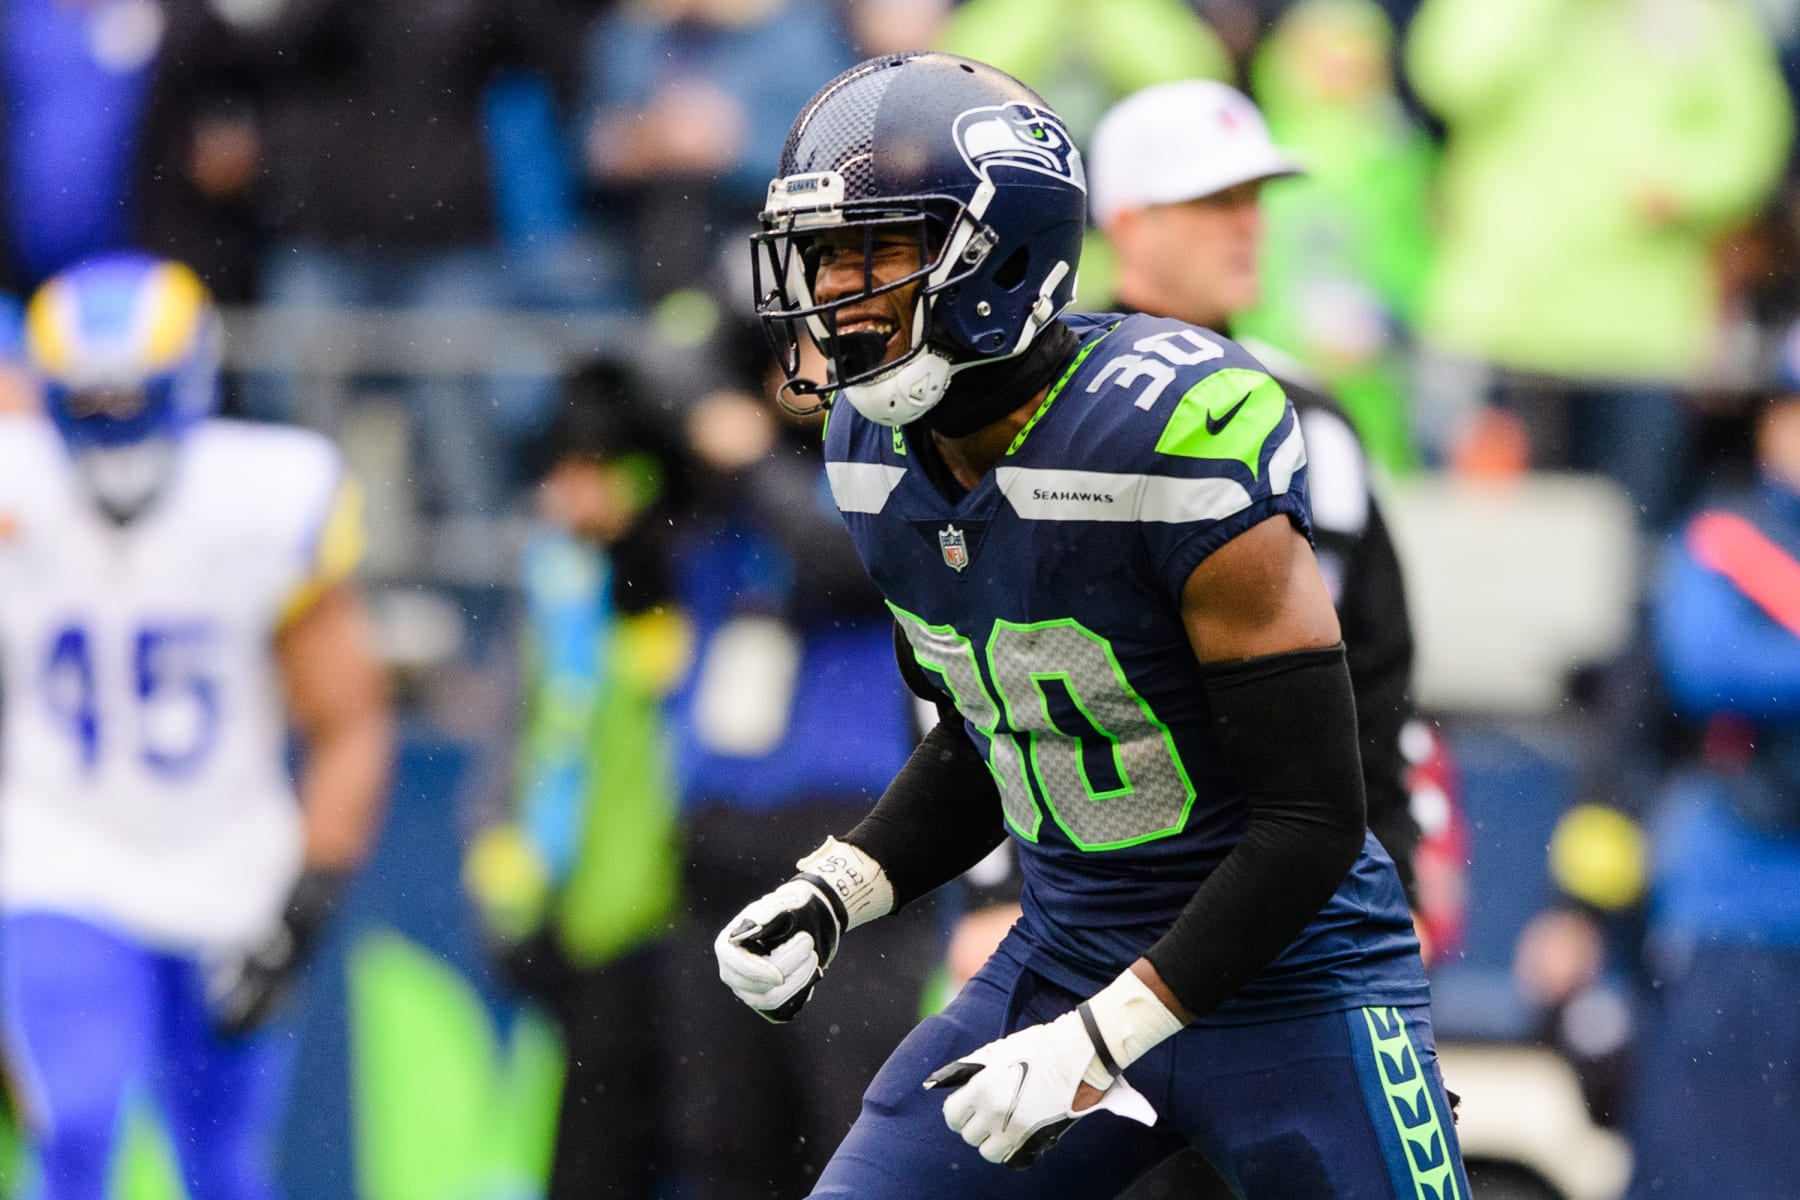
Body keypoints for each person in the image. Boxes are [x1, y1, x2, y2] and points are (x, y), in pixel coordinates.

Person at [714, 52, 1466, 1197]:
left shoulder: (1180, 428)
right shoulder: (869, 451)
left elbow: (1313, 817)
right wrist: (837, 891)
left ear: (998, 256)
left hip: (1294, 980)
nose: (838, 294)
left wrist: (1102, 1038)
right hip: (1067, 953)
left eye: (878, 253)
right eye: (825, 256)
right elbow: (987, 733)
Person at [0, 253, 393, 1200]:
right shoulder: (19, 487)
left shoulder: (261, 499)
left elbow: (349, 721)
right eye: (86, 406)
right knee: (77, 1123)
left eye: (132, 400)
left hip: (228, 864)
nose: (112, 430)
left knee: (222, 1166)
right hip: (61, 850)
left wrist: (306, 904)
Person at [463, 358, 690, 1200]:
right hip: (581, 925)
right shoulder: (550, 581)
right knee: (589, 1161)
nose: (565, 491)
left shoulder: (679, 570)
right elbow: (514, 738)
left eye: (584, 469)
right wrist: (505, 890)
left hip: (672, 921)